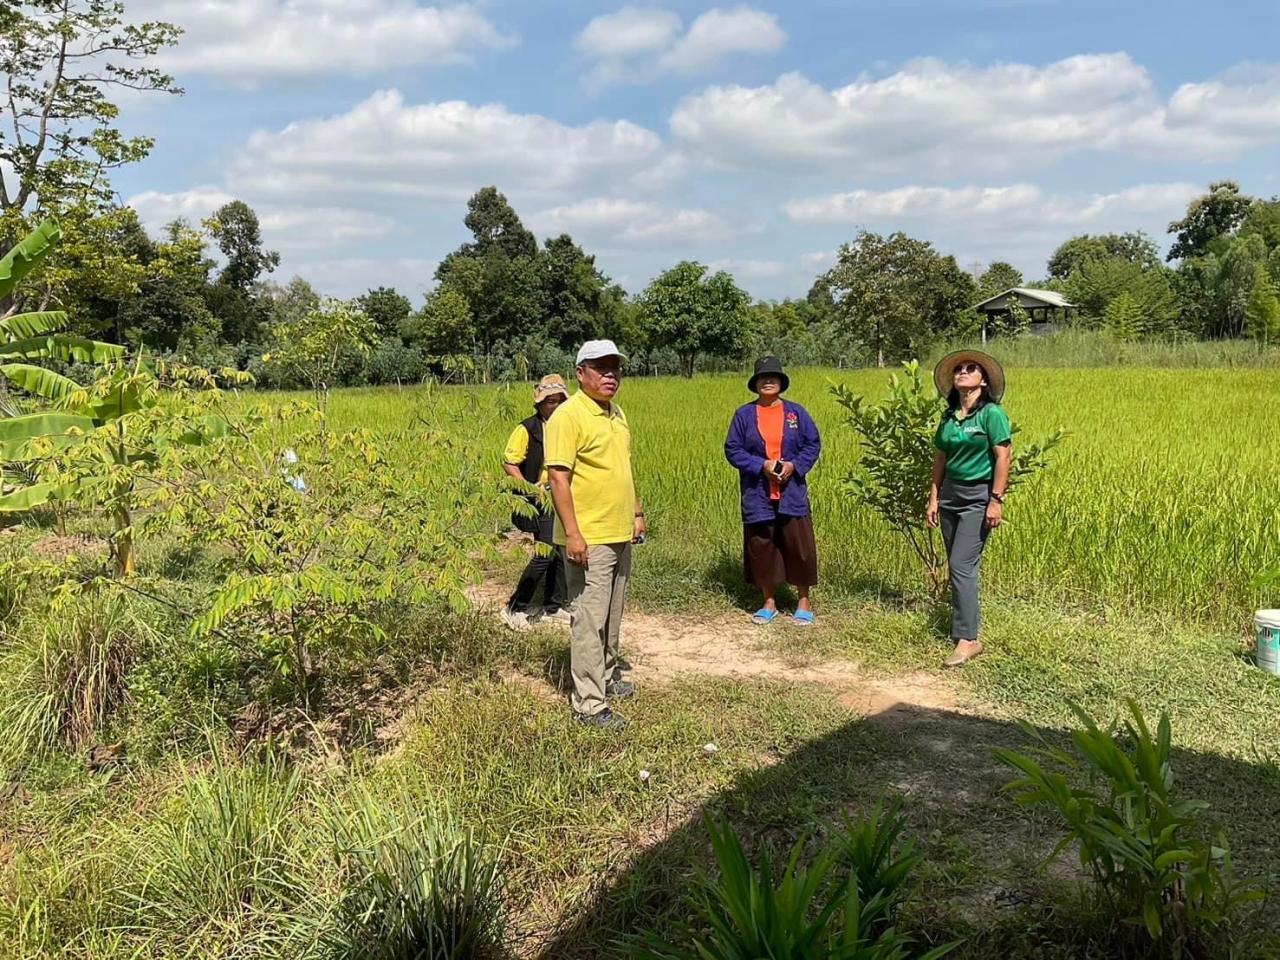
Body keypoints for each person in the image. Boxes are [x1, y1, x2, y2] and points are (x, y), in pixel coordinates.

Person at [545, 340, 646, 729]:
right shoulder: (567, 416)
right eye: (601, 368)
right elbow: (558, 477)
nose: (610, 375)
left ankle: (605, 676)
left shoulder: (616, 413)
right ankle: (588, 703)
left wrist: (636, 512)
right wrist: (572, 534)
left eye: (615, 368)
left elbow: (623, 467)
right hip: (588, 535)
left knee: (612, 613)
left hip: (618, 529)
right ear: (580, 373)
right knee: (589, 616)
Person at [926, 349, 1012, 667]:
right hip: (950, 496)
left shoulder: (992, 414)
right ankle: (965, 628)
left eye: (970, 368)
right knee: (960, 565)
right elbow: (940, 458)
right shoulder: (949, 418)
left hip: (978, 497)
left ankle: (968, 639)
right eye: (959, 369)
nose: (963, 371)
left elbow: (1003, 456)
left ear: (983, 380)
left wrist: (995, 500)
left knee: (962, 565)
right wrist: (934, 497)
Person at [724, 356, 822, 626]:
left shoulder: (796, 413)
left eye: (773, 377)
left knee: (799, 545)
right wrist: (761, 465)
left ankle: (803, 601)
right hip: (758, 491)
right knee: (762, 545)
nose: (768, 381)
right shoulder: (744, 415)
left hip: (791, 491)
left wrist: (794, 465)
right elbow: (733, 449)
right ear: (755, 384)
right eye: (762, 378)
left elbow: (812, 444)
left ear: (781, 382)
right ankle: (769, 601)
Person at [500, 375, 570, 631]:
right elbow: (509, 462)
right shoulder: (527, 429)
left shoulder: (569, 426)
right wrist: (529, 489)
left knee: (560, 551)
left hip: (562, 494)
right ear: (540, 403)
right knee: (545, 552)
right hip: (540, 497)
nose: (555, 406)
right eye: (550, 401)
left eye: (560, 401)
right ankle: (515, 607)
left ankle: (554, 605)